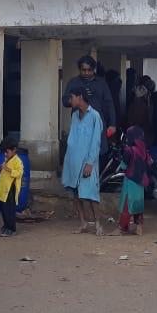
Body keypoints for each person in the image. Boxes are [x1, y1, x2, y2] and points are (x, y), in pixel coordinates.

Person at [62, 86, 104, 235]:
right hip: (72, 160)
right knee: (75, 194)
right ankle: (83, 223)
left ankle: (98, 224)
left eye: (72, 97)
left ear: (79, 97)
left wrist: (90, 163)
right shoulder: (74, 116)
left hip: (87, 162)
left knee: (91, 194)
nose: (70, 100)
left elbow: (96, 142)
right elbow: (72, 139)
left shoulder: (95, 116)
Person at [62, 56, 116, 155]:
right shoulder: (74, 82)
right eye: (84, 70)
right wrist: (73, 101)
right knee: (79, 153)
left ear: (93, 69)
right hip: (79, 124)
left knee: (98, 152)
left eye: (89, 70)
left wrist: (112, 124)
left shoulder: (101, 83)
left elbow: (109, 103)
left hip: (98, 123)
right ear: (80, 69)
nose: (86, 73)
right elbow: (65, 100)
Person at [118, 125, 151, 235]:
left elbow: (123, 166)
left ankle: (122, 227)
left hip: (130, 181)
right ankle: (139, 228)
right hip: (141, 182)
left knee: (127, 205)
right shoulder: (144, 150)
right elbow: (149, 163)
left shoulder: (129, 150)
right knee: (138, 205)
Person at [0, 136, 24, 238]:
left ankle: (11, 228)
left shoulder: (17, 161)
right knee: (3, 208)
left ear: (14, 150)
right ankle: (6, 225)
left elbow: (19, 173)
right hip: (3, 189)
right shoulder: (7, 159)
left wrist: (9, 170)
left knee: (9, 209)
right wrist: (0, 169)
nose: (5, 154)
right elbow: (1, 170)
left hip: (11, 189)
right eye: (4, 152)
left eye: (7, 152)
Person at [123, 79, 155, 145]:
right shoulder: (147, 103)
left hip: (138, 138)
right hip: (142, 138)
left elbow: (133, 122)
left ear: (143, 90)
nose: (134, 89)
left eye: (137, 87)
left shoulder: (139, 104)